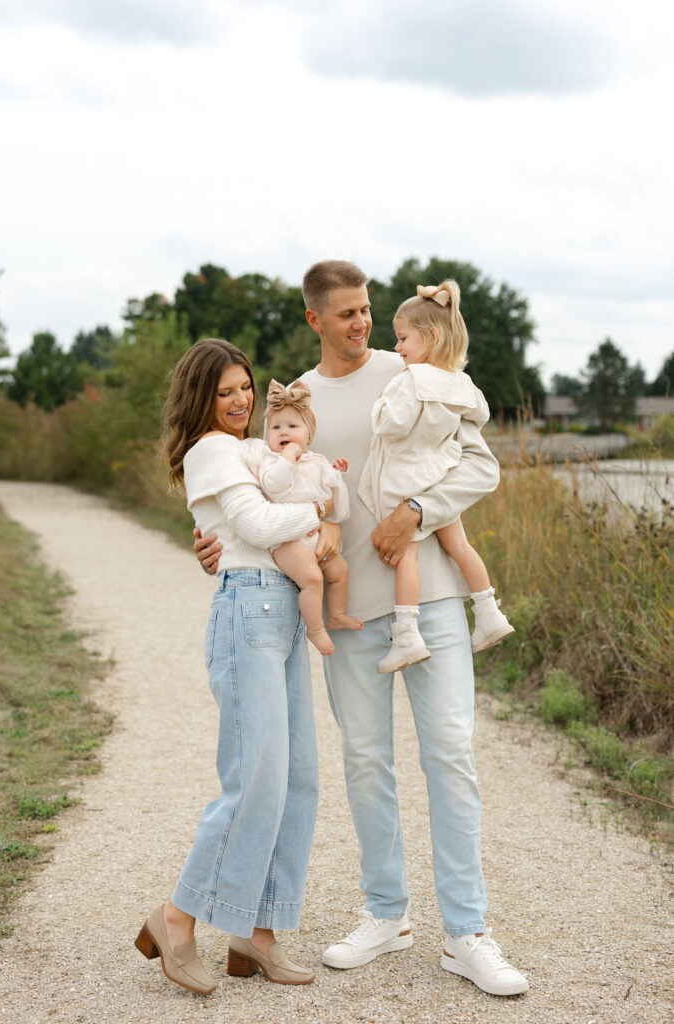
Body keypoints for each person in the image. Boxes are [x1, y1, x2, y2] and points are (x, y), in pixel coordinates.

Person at [195, 264, 529, 997]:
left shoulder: (414, 367)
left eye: (368, 310)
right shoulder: (295, 400)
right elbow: (256, 489)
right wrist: (214, 541)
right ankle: (385, 913)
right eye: (345, 314)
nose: (362, 324)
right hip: (347, 615)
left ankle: (467, 932)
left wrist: (415, 511)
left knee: (449, 753)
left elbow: (481, 465)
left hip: (431, 598)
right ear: (314, 320)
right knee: (366, 763)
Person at [135, 338, 338, 994]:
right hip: (247, 613)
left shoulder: (253, 449)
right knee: (254, 780)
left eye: (244, 387)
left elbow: (251, 523)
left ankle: (257, 936)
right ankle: (176, 918)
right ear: (202, 398)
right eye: (225, 392)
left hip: (279, 610)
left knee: (297, 779)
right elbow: (252, 526)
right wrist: (318, 513)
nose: (241, 400)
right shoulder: (211, 449)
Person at [358, 279, 514, 675]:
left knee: (407, 557)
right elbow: (478, 417)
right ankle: (489, 612)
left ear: (430, 336)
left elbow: (393, 426)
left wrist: (379, 406)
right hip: (439, 475)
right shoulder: (462, 383)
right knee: (461, 547)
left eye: (403, 338)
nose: (397, 348)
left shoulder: (411, 380)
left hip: (407, 480)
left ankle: (407, 635)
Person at [242, 377, 363, 656]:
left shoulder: (316, 461)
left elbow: (331, 499)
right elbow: (274, 486)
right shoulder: (270, 462)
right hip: (288, 541)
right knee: (312, 577)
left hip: (316, 535)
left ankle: (336, 613)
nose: (284, 432)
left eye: (292, 427)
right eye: (276, 427)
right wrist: (288, 457)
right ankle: (316, 629)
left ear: (309, 435)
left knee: (339, 571)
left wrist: (336, 474)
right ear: (267, 435)